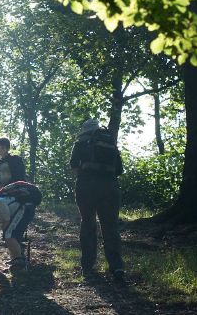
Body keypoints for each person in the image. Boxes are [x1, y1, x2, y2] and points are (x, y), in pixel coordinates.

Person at [69, 118, 125, 281]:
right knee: (111, 226)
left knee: (88, 223)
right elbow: (119, 170)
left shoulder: (80, 143)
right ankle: (116, 267)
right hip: (110, 187)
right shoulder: (110, 144)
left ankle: (87, 266)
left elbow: (74, 166)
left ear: (84, 130)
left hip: (86, 187)